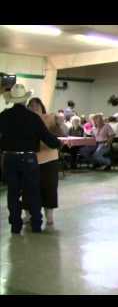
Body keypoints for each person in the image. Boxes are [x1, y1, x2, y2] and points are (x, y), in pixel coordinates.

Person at [0, 84, 62, 234]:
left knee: (13, 193)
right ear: (24, 100)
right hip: (29, 158)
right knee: (33, 192)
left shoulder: (3, 116)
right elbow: (47, 138)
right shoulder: (33, 117)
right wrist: (58, 143)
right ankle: (36, 225)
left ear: (13, 100)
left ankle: (15, 226)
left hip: (10, 158)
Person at [22, 97, 64, 226]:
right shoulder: (24, 120)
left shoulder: (50, 117)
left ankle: (49, 215)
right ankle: (28, 214)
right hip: (30, 158)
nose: (34, 108)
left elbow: (59, 134)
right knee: (28, 188)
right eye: (31, 105)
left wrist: (58, 123)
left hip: (49, 158)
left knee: (49, 187)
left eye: (37, 105)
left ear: (42, 107)